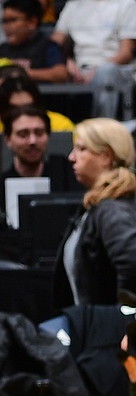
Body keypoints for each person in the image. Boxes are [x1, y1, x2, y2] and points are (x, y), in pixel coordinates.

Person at [57, 118, 136, 307]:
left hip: (105, 325)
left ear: (106, 156)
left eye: (81, 149)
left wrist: (121, 317)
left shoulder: (112, 209)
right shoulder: (104, 202)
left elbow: (132, 263)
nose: (71, 157)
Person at [53, 0, 136, 117]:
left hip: (117, 70)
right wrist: (67, 63)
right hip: (80, 70)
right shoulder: (72, 6)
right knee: (56, 72)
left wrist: (97, 71)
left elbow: (126, 52)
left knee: (106, 73)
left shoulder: (128, 4)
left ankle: (103, 129)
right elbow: (55, 44)